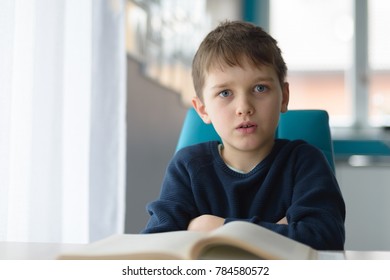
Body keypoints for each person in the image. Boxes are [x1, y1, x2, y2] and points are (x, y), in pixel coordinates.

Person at [142, 20, 345, 250]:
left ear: (284, 97)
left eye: (260, 88)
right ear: (203, 109)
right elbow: (156, 245)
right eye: (225, 93)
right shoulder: (187, 167)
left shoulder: (306, 161)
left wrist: (217, 228)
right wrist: (278, 231)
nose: (244, 107)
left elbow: (325, 238)